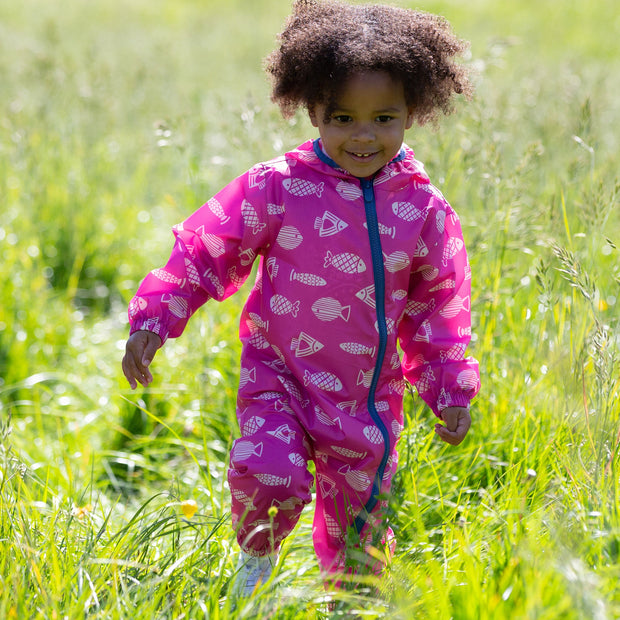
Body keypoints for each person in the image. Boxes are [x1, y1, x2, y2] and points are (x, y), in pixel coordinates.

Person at [122, 0, 480, 599]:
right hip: (279, 375)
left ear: (412, 112)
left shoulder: (423, 211)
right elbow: (207, 248)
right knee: (268, 470)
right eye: (342, 117)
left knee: (360, 525)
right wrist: (156, 317)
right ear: (312, 107)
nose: (363, 135)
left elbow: (439, 308)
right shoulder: (278, 188)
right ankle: (255, 577)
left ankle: (349, 602)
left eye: (383, 118)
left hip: (366, 397)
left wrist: (448, 388)